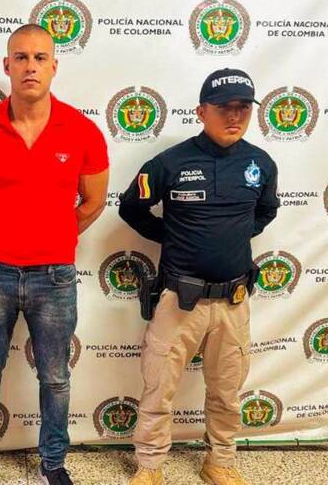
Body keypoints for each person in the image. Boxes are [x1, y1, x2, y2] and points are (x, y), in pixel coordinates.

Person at [0, 24, 109, 485]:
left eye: (40, 58)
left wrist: (53, 235)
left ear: (54, 66)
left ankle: (53, 463)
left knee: (55, 377)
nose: (30, 67)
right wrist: (4, 236)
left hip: (54, 276)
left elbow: (93, 201)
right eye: (21, 57)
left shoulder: (82, 131)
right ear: (7, 65)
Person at [119, 69, 279, 485]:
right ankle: (150, 466)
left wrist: (233, 237)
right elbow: (131, 207)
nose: (234, 116)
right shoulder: (169, 163)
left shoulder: (260, 164)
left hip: (233, 303)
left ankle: (219, 461)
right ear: (201, 112)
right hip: (179, 300)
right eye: (224, 108)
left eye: (243, 108)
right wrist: (172, 235)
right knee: (158, 387)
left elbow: (266, 211)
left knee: (227, 392)